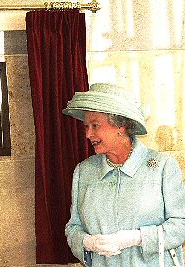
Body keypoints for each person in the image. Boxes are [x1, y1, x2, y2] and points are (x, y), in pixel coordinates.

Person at [62, 83, 185, 267]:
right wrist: (87, 242)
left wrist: (138, 238)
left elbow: (181, 226)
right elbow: (73, 229)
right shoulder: (84, 171)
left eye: (95, 126)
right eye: (86, 126)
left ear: (120, 126)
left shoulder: (163, 167)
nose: (88, 134)